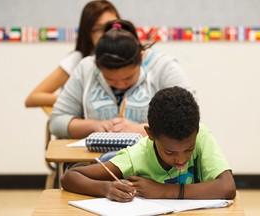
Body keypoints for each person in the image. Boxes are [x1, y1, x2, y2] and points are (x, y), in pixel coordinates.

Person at [60, 86, 236, 201]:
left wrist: (164, 191)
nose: (181, 159)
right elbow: (70, 177)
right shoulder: (138, 155)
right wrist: (106, 188)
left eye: (188, 149)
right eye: (170, 152)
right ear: (150, 134)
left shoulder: (201, 136)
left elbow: (227, 187)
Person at [49, 19, 195, 138]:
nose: (120, 85)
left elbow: (188, 119)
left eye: (128, 78)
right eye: (110, 79)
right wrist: (95, 126)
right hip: (94, 163)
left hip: (154, 167)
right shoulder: (86, 68)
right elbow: (56, 121)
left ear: (141, 57)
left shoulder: (164, 67)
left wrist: (138, 129)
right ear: (97, 65)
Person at [25, 0, 120, 107]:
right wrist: (76, 99)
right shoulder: (79, 60)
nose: (108, 34)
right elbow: (32, 98)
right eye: (99, 29)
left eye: (112, 27)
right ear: (88, 34)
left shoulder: (129, 57)